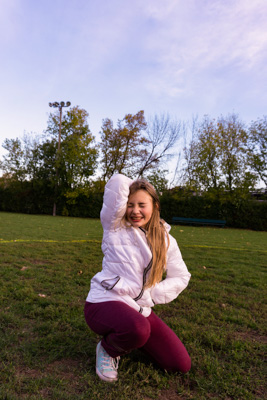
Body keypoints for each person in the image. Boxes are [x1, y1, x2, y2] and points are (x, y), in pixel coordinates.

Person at [84, 174, 191, 383]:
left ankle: (130, 335)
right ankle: (107, 350)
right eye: (130, 204)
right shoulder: (114, 226)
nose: (135, 211)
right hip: (105, 300)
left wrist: (155, 292)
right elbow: (117, 183)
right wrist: (134, 183)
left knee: (180, 364)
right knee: (138, 329)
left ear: (155, 206)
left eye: (142, 204)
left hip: (140, 307)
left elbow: (181, 275)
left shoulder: (166, 239)